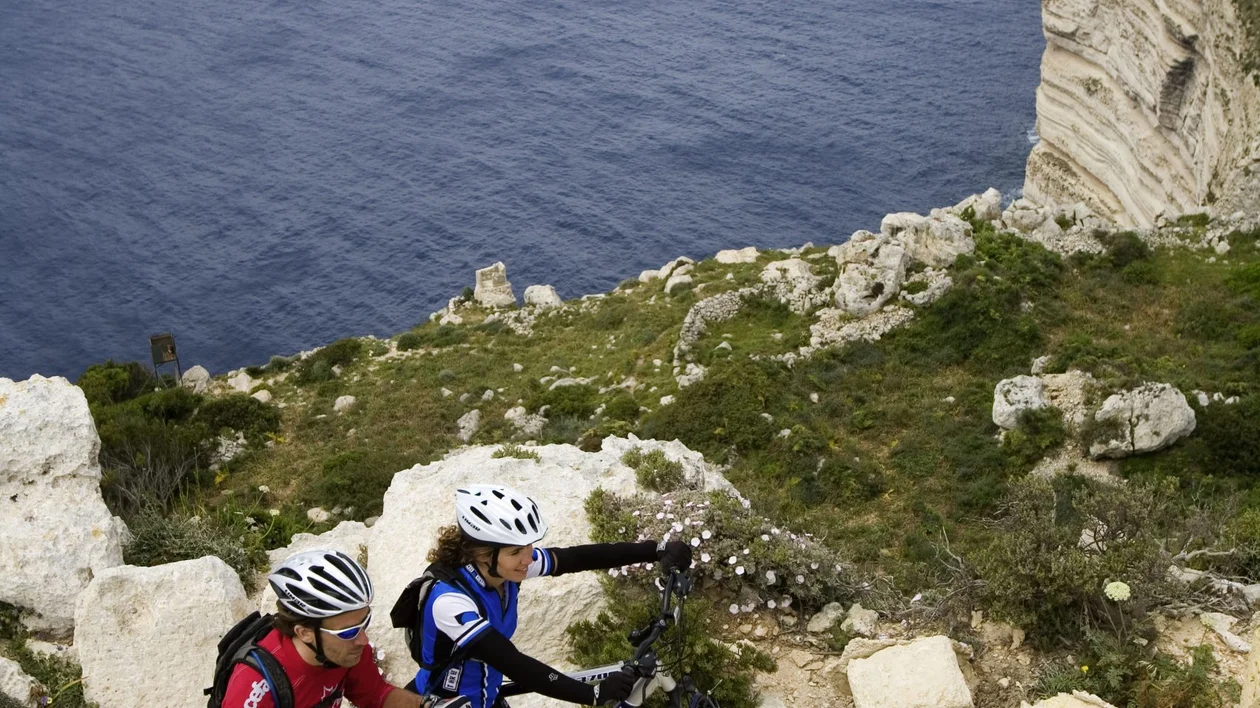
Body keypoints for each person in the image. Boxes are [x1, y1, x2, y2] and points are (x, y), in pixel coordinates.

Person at [409, 484, 693, 707]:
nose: (528, 557)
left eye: (529, 546)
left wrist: (655, 550)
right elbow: (514, 663)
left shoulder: (504, 568)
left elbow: (574, 558)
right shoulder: (449, 601)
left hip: (488, 697)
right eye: (515, 552)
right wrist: (592, 694)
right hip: (445, 703)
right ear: (481, 554)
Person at [220, 549, 426, 708]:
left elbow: (376, 695)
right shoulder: (254, 685)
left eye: (364, 622)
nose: (363, 640)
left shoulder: (342, 650)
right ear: (305, 632)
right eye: (349, 631)